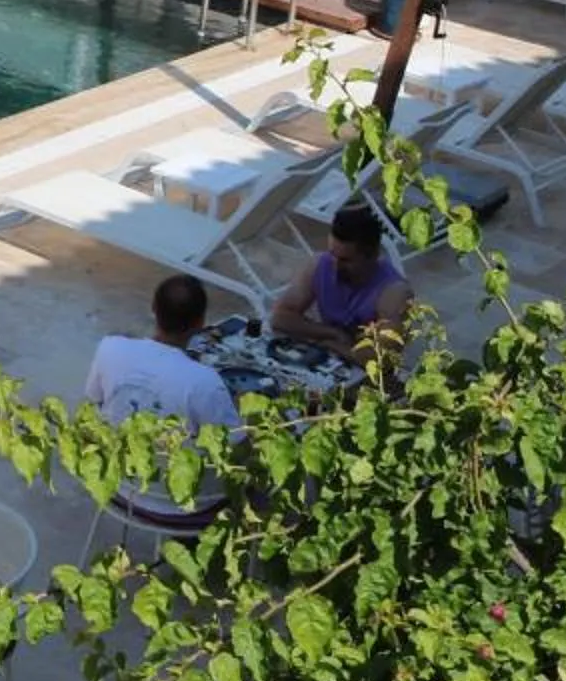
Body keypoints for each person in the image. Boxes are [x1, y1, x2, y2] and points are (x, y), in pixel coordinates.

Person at [83, 275, 244, 518]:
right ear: (201, 323)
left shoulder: (110, 347)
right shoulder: (204, 382)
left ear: (153, 309)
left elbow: (94, 398)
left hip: (120, 480)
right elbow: (235, 446)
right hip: (189, 500)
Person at [272, 203, 412, 362]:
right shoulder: (320, 265)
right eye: (332, 255)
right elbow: (280, 317)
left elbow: (384, 357)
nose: (335, 266)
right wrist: (332, 333)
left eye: (346, 260)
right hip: (333, 357)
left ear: (372, 255)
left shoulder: (395, 293)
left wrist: (331, 346)